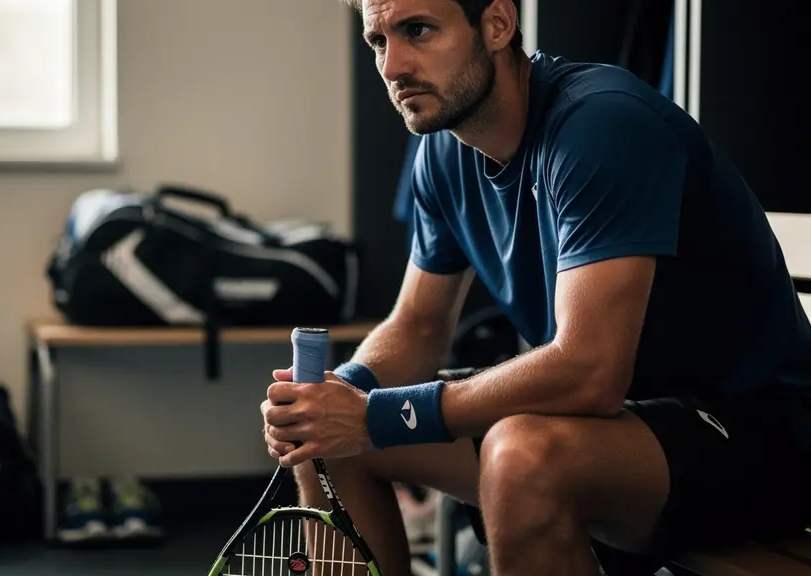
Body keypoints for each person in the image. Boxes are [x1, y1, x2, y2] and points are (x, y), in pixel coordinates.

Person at [259, 0, 811, 575]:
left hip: (762, 437)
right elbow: (418, 326)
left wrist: (375, 414)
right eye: (378, 41)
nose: (394, 65)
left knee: (520, 456)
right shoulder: (442, 151)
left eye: (417, 31)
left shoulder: (602, 125)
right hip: (618, 425)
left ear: (497, 24)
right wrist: (335, 399)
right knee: (330, 442)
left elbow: (589, 373)